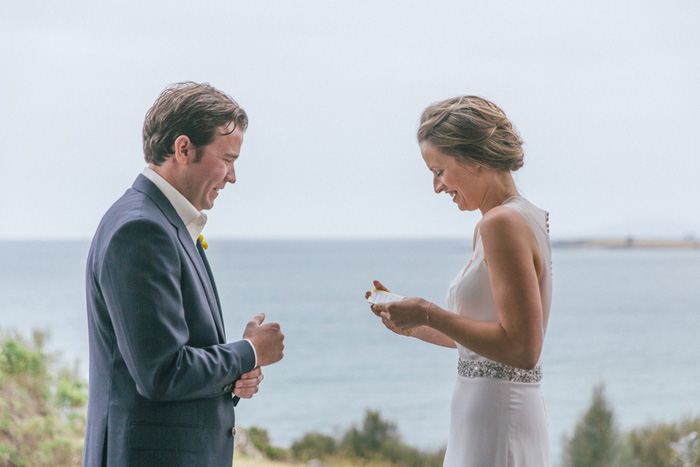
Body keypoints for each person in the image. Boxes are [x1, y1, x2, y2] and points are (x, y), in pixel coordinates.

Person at [83, 82, 285, 467]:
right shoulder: (140, 230)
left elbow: (174, 358)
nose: (232, 176)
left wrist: (236, 370)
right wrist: (250, 351)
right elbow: (162, 373)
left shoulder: (163, 222)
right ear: (183, 149)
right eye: (227, 158)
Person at [367, 96, 552, 466]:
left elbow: (523, 350)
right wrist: (415, 324)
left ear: (474, 157)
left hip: (500, 419)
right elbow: (486, 337)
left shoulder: (500, 223)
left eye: (439, 170)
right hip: (487, 415)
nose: (437, 187)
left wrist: (429, 312)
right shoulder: (515, 219)